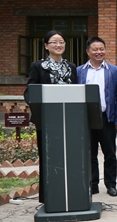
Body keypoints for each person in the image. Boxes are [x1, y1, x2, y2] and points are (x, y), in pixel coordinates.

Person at [25, 30, 78, 203]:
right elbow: (30, 91)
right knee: (48, 157)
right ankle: (48, 196)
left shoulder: (71, 67)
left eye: (61, 42)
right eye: (54, 42)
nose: (58, 45)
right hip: (47, 120)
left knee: (69, 156)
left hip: (68, 119)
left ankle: (70, 193)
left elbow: (76, 91)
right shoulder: (38, 66)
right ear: (46, 46)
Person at [77, 36, 117, 197]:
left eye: (101, 49)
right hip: (86, 119)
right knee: (90, 153)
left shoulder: (113, 71)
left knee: (110, 153)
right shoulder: (79, 71)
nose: (99, 52)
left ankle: (111, 184)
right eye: (95, 49)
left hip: (106, 118)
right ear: (88, 51)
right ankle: (93, 184)